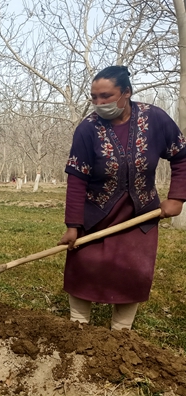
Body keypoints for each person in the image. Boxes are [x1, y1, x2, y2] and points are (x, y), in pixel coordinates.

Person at [58, 65, 186, 330]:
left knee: (132, 270)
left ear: (126, 92)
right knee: (85, 266)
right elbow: (77, 178)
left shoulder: (155, 119)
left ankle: (121, 333)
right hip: (96, 213)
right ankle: (77, 326)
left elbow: (181, 157)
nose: (99, 103)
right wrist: (73, 225)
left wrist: (177, 198)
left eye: (105, 96)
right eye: (94, 97)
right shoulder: (87, 129)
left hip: (141, 213)